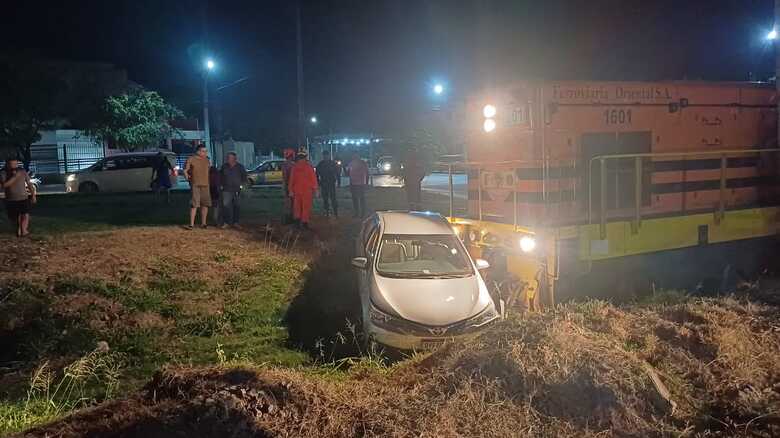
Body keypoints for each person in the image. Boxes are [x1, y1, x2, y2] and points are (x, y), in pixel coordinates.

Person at [1, 159, 37, 237]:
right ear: (7, 164)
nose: (13, 165)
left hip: (23, 197)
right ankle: (19, 229)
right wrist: (15, 177)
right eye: (11, 164)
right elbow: (4, 185)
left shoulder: (22, 171)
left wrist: (33, 195)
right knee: (14, 217)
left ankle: (24, 231)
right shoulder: (3, 172)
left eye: (15, 163)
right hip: (11, 199)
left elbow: (29, 184)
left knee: (25, 214)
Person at [288, 151, 318, 229]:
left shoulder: (294, 167)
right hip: (307, 191)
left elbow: (291, 180)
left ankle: (297, 222)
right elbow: (313, 179)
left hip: (297, 191)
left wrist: (290, 190)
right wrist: (315, 190)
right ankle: (304, 223)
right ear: (305, 158)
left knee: (297, 207)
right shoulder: (309, 167)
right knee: (305, 207)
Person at [184, 145, 211, 229]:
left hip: (205, 184)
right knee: (194, 204)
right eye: (203, 151)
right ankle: (191, 224)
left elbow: (208, 170)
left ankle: (204, 223)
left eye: (206, 151)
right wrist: (186, 176)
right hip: (195, 184)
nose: (205, 153)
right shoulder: (191, 159)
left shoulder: (207, 160)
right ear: (198, 152)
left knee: (205, 204)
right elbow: (185, 170)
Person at [220, 152, 247, 228]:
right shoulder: (224, 167)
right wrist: (221, 185)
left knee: (237, 206)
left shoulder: (240, 167)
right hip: (226, 189)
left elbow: (244, 177)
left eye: (230, 158)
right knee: (226, 206)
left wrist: (242, 186)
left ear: (234, 159)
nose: (228, 159)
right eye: (228, 158)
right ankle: (226, 222)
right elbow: (220, 176)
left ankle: (236, 222)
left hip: (237, 190)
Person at [316, 150, 339, 217]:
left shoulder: (332, 163)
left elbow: (337, 173)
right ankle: (327, 212)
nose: (325, 157)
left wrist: (337, 181)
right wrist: (318, 182)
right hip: (324, 183)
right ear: (323, 156)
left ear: (328, 156)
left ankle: (335, 212)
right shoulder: (321, 164)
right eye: (324, 156)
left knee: (333, 198)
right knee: (325, 199)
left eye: (326, 155)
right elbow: (317, 174)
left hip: (331, 183)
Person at [347, 153, 369, 218]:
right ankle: (356, 213)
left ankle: (363, 213)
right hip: (353, 183)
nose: (355, 156)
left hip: (361, 183)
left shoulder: (363, 163)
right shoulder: (351, 163)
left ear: (359, 156)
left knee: (362, 198)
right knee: (355, 199)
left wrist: (366, 183)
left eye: (356, 155)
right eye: (354, 155)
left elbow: (367, 173)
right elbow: (348, 173)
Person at [280, 149, 296, 224]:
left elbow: (284, 177)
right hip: (293, 186)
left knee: (288, 203)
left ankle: (288, 218)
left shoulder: (284, 164)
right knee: (292, 203)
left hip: (288, 186)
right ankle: (292, 217)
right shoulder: (293, 165)